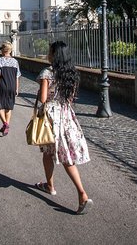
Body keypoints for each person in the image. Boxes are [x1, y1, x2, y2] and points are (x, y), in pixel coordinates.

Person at [34, 40, 93, 214]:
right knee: (64, 155)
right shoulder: (72, 73)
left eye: (50, 51)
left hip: (51, 117)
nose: (48, 54)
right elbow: (70, 98)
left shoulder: (47, 72)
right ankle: (67, 189)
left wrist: (41, 92)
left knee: (49, 153)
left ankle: (58, 188)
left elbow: (44, 99)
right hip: (66, 116)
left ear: (54, 54)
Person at [0, 41, 20, 136]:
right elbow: (17, 76)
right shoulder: (15, 62)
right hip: (12, 86)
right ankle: (6, 125)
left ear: (3, 50)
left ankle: (5, 124)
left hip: (2, 86)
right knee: (9, 106)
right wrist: (17, 88)